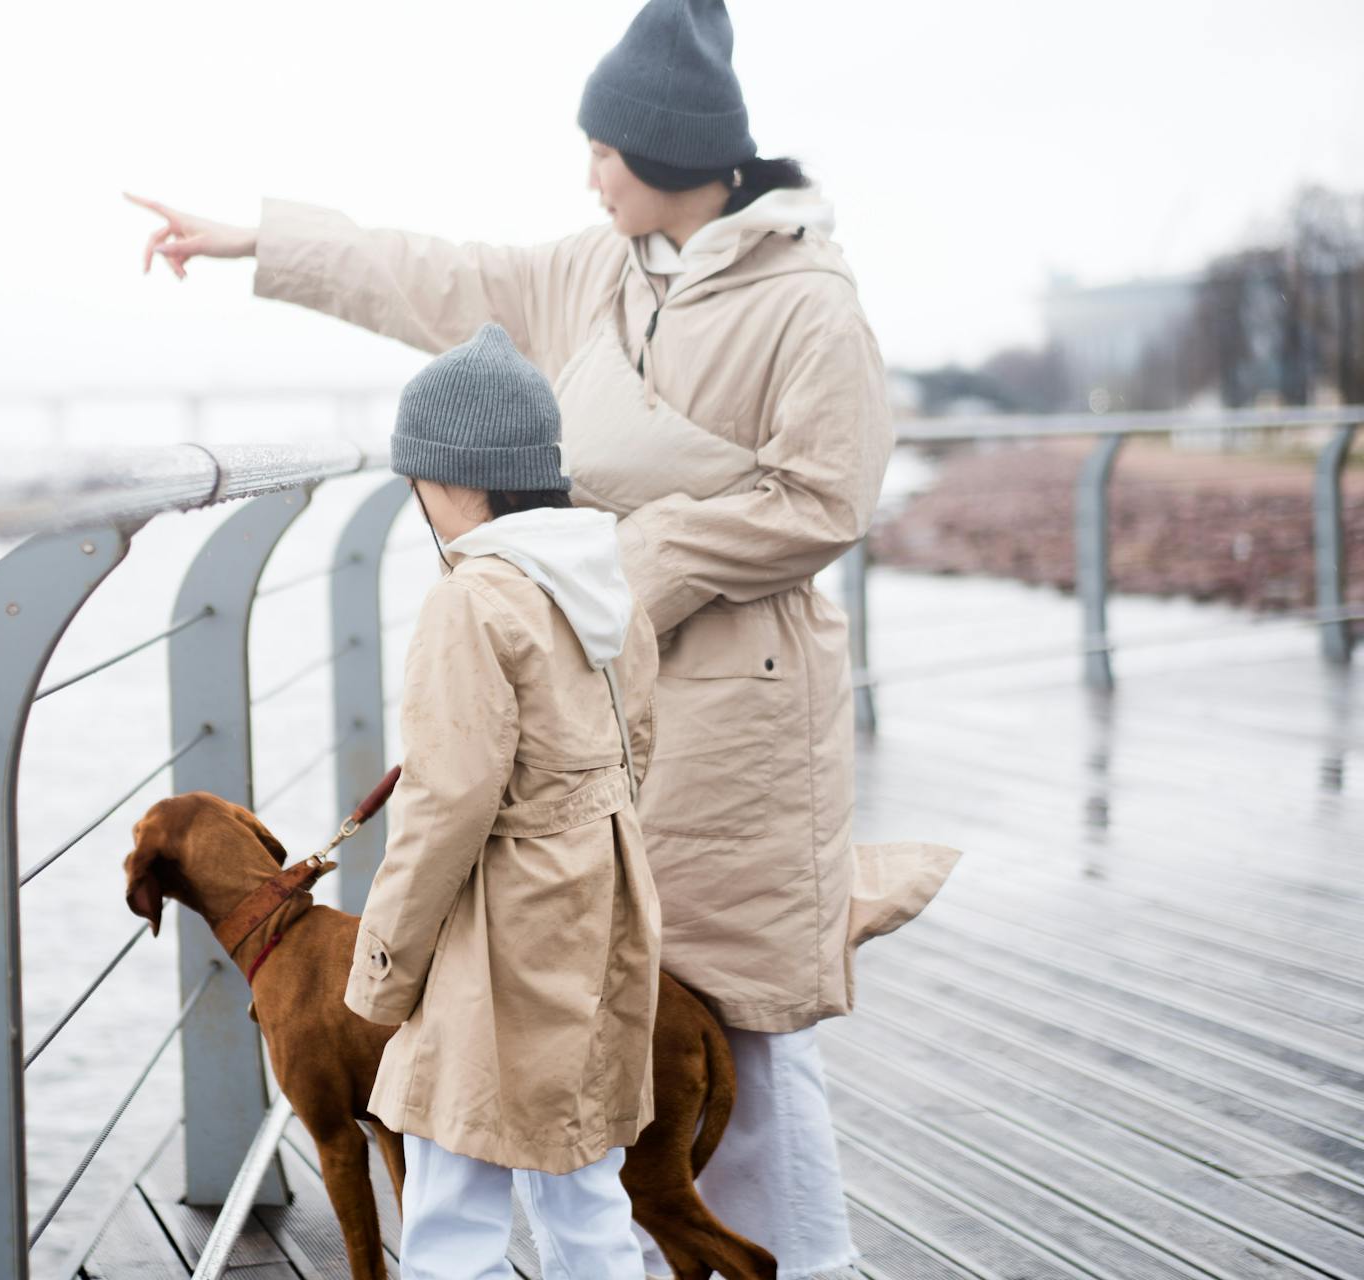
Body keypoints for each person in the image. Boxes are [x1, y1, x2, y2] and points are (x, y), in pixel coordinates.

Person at [129, 4, 961, 1275]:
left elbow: (826, 498)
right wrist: (261, 241)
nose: (588, 174)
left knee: (745, 1022)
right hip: (598, 687)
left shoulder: (809, 304)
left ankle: (810, 1261)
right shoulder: (593, 270)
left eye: (604, 153)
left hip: (739, 701)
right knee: (631, 1008)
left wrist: (625, 567)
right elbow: (437, 274)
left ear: (672, 151)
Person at [345, 321, 661, 1280]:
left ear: (444, 477)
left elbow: (446, 802)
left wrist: (383, 967)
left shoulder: (471, 599)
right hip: (602, 894)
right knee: (582, 1180)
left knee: (453, 1192)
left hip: (503, 927)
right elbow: (638, 745)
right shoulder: (604, 579)